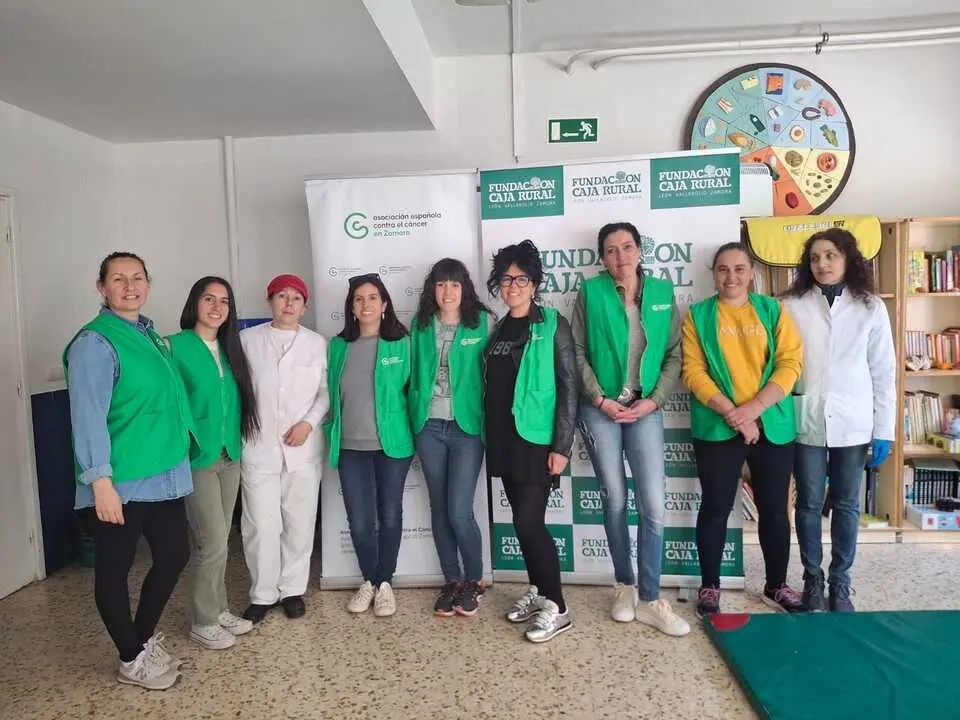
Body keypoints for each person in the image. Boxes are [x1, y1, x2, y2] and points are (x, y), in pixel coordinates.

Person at [65, 251, 194, 690]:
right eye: (118, 279)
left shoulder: (149, 335)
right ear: (102, 287)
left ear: (148, 284)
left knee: (174, 555)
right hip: (121, 480)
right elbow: (88, 416)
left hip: (163, 473)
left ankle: (138, 642)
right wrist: (100, 482)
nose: (129, 286)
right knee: (115, 569)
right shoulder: (95, 342)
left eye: (137, 278)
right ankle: (130, 658)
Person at [572, 222, 689, 636]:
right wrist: (599, 398)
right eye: (610, 250)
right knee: (615, 498)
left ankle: (652, 599)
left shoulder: (661, 292)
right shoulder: (590, 293)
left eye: (626, 247)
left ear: (639, 251)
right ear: (602, 258)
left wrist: (654, 401)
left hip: (645, 407)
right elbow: (577, 352)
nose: (619, 257)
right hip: (600, 408)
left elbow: (674, 354)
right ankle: (625, 585)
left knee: (653, 504)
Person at [681, 242, 806, 617]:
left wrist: (753, 410)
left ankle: (776, 585)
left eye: (739, 269)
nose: (731, 276)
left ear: (752, 273)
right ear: (713, 274)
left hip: (771, 423)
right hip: (717, 426)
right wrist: (734, 414)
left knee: (775, 510)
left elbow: (790, 363)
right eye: (723, 269)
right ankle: (709, 585)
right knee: (716, 508)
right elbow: (693, 372)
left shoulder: (772, 310)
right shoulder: (698, 316)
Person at [782, 228, 896, 612]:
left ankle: (841, 583)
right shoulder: (791, 305)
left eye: (830, 255)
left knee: (846, 504)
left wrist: (884, 429)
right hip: (808, 416)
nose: (822, 264)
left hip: (854, 420)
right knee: (808, 503)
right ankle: (812, 581)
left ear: (848, 258)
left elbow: (883, 371)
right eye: (815, 258)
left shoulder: (870, 307)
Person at [484, 240, 577, 643]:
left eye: (521, 279)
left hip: (537, 439)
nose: (513, 286)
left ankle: (558, 607)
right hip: (503, 437)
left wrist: (561, 446)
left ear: (535, 284)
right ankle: (539, 591)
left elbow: (568, 385)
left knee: (528, 521)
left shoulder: (553, 324)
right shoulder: (499, 328)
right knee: (521, 524)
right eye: (506, 280)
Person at [167, 276, 260, 649]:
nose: (217, 307)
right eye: (209, 298)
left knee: (222, 539)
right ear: (195, 302)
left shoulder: (230, 348)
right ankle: (202, 621)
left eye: (224, 301)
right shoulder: (174, 347)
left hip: (229, 454)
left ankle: (219, 609)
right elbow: (171, 403)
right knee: (212, 542)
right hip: (198, 457)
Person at [239, 274, 328, 624]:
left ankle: (292, 590)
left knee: (299, 522)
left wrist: (308, 423)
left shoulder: (317, 344)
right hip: (258, 448)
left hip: (302, 448)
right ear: (270, 301)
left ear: (304, 307)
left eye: (296, 298)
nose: (288, 303)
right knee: (260, 525)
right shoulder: (246, 340)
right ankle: (262, 593)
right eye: (281, 296)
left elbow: (326, 393)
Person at [325, 273, 414, 618]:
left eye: (373, 298)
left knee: (390, 514)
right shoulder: (337, 346)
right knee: (360, 519)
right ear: (351, 307)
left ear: (385, 304)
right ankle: (369, 580)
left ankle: (385, 582)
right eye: (359, 299)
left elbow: (414, 392)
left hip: (392, 445)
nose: (366, 305)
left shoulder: (401, 343)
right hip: (350, 447)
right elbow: (328, 393)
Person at [409, 259, 492, 617]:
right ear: (433, 289)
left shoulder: (482, 323)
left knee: (459, 510)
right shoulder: (420, 325)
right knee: (440, 508)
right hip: (429, 426)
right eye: (441, 284)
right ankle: (452, 580)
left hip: (466, 428)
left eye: (454, 284)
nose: (447, 291)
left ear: (464, 288)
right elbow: (412, 372)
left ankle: (474, 579)